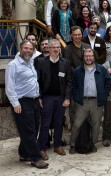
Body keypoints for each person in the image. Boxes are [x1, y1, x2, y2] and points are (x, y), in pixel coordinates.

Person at [5, 40, 48, 169]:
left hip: (34, 100)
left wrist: (38, 97)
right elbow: (9, 87)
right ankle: (36, 158)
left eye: (30, 49)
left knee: (33, 129)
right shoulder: (13, 65)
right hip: (22, 102)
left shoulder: (30, 63)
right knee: (29, 131)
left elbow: (33, 82)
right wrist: (15, 103)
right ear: (20, 48)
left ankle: (24, 153)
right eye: (26, 48)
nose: (28, 51)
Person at [69, 48, 111, 154]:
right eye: (86, 56)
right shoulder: (78, 71)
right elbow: (73, 85)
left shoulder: (101, 69)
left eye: (91, 55)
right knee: (76, 124)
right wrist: (76, 97)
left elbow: (108, 82)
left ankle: (93, 144)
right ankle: (73, 145)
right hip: (82, 102)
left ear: (94, 56)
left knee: (96, 125)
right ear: (83, 57)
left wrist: (104, 94)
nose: (88, 58)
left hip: (96, 102)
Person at [36, 39, 72, 159]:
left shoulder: (65, 63)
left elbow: (69, 82)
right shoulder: (41, 62)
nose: (56, 49)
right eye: (53, 47)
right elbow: (37, 81)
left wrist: (67, 98)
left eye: (58, 47)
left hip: (60, 98)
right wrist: (39, 97)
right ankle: (41, 148)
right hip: (47, 98)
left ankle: (57, 145)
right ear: (49, 49)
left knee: (58, 123)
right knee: (45, 124)